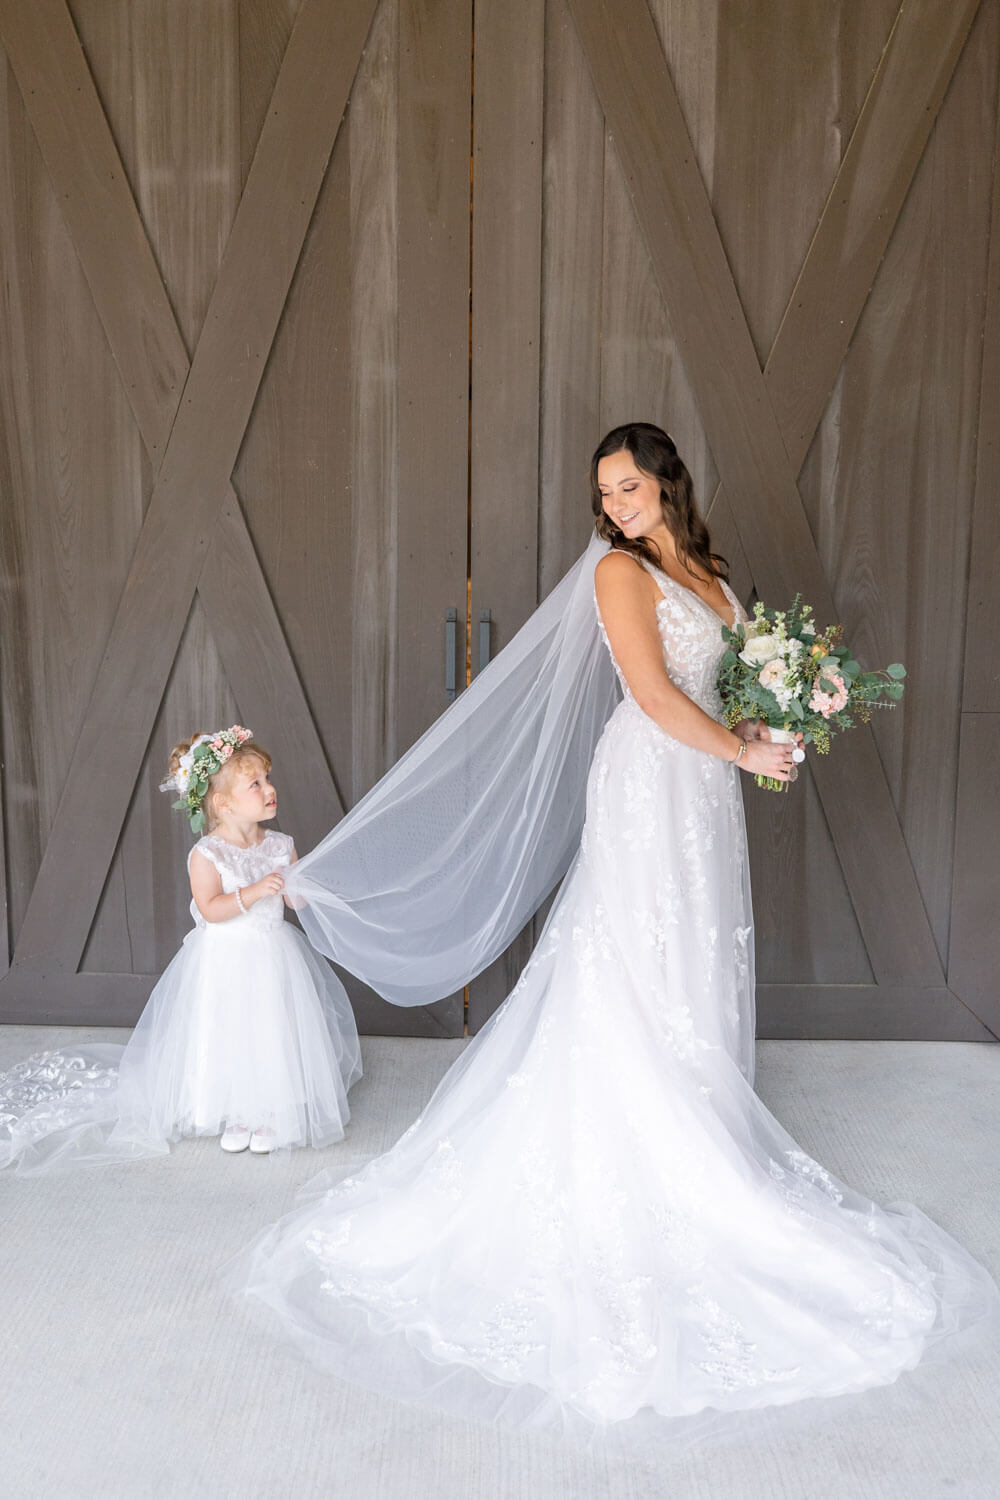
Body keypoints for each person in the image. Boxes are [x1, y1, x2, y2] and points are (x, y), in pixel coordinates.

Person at [228, 425, 996, 1432]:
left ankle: (700, 1110)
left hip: (704, 790)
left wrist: (762, 731)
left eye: (629, 485)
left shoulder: (713, 572)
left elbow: (718, 686)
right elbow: (650, 692)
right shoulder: (618, 575)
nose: (617, 503)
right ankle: (649, 1136)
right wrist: (738, 748)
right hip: (649, 783)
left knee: (696, 953)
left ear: (667, 481)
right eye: (605, 491)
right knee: (634, 959)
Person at [0, 727, 361, 1172]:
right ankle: (231, 1110)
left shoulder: (281, 846)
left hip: (273, 958)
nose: (271, 789)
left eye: (268, 779)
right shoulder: (207, 853)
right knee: (228, 1030)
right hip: (224, 962)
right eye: (257, 784)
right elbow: (210, 908)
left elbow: (294, 900)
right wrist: (252, 891)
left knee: (270, 1027)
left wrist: (302, 884)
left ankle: (266, 1111)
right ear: (224, 803)